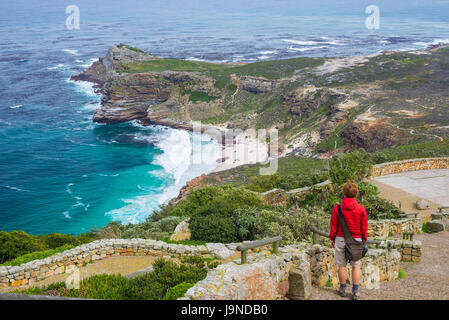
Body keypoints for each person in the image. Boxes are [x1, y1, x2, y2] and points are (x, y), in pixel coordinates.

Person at [329, 182, 368, 300]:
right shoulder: (361, 209)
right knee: (356, 266)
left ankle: (342, 289)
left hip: (340, 239)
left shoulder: (337, 209)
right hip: (356, 240)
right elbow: (364, 227)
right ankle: (355, 292)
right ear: (356, 193)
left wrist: (332, 238)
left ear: (344, 192)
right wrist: (364, 240)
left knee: (342, 265)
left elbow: (333, 226)